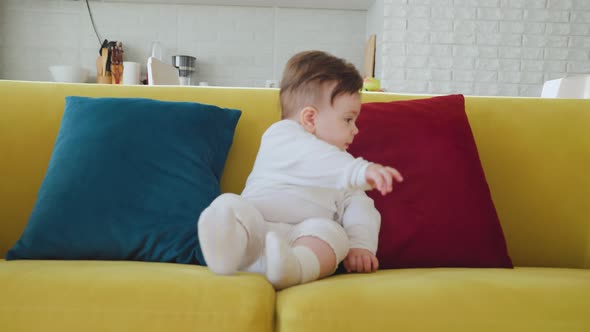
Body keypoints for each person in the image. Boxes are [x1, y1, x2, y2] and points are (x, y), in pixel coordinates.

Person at [198, 50, 403, 290]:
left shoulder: (342, 164)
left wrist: (361, 245)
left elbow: (361, 207)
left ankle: (294, 268)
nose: (355, 130)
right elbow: (314, 157)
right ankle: (224, 251)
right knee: (231, 206)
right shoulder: (282, 135)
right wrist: (359, 171)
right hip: (257, 234)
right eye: (348, 119)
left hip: (303, 241)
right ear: (310, 119)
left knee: (334, 234)